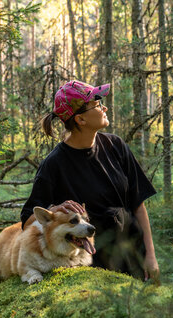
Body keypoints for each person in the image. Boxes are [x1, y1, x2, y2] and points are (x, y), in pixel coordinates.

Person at [20, 80, 159, 282]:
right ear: (81, 120)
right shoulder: (54, 164)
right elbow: (27, 221)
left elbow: (138, 206)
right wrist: (55, 208)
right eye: (97, 103)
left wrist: (151, 256)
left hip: (134, 254)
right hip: (93, 265)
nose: (104, 107)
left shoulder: (116, 146)